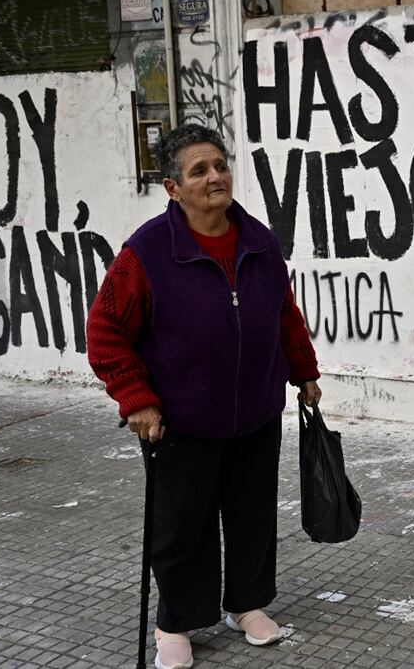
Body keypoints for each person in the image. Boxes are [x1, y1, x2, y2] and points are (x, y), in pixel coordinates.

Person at [87, 124, 321, 669]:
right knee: (182, 525)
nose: (215, 177)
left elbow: (283, 314)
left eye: (219, 165)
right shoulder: (146, 253)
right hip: (181, 421)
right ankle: (177, 620)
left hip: (256, 412)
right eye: (199, 170)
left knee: (252, 515)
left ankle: (248, 604)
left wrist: (304, 371)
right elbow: (104, 332)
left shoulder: (260, 241)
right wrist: (137, 399)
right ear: (173, 187)